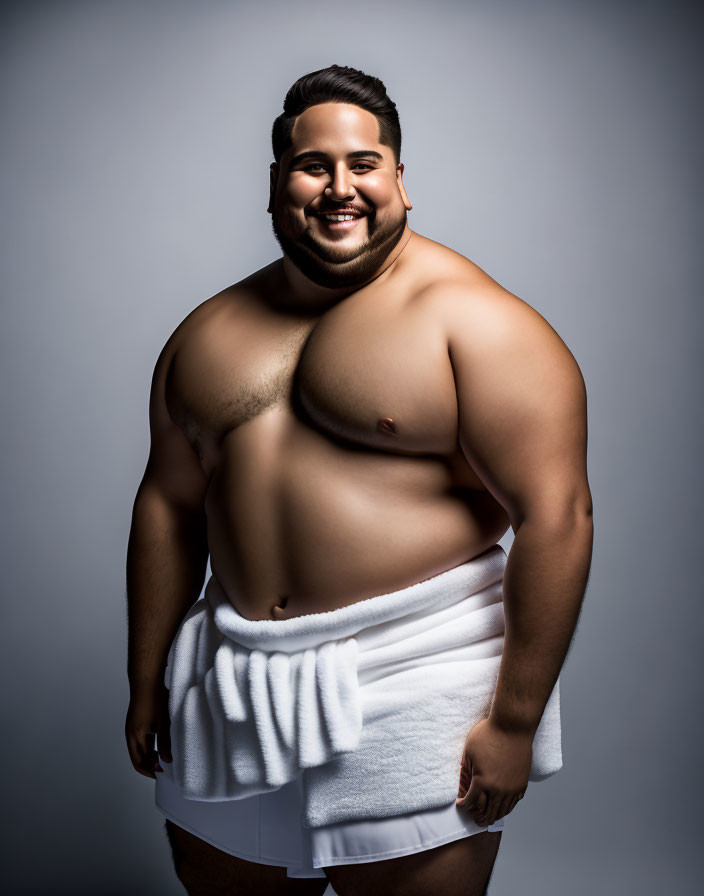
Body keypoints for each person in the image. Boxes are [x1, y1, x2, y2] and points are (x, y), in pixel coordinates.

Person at [125, 64, 593, 896]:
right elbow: (168, 506)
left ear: (401, 181)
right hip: (238, 679)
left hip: (416, 674)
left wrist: (515, 721)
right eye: (314, 166)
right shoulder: (204, 336)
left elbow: (556, 516)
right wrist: (146, 677)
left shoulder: (479, 324)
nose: (341, 187)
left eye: (365, 164)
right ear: (277, 184)